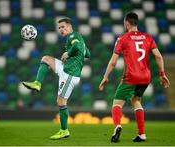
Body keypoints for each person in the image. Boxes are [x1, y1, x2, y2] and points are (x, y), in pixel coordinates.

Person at [99, 12, 170, 143]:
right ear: (136, 22)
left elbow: (113, 61)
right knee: (136, 100)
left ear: (126, 23)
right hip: (145, 77)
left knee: (117, 103)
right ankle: (142, 134)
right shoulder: (148, 37)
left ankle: (117, 126)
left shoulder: (123, 38)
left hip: (131, 76)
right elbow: (159, 56)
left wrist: (105, 76)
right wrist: (162, 74)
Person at [22, 17, 90, 140]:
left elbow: (78, 46)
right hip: (65, 68)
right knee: (46, 59)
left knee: (61, 102)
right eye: (59, 28)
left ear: (69, 26)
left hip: (70, 74)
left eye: (63, 27)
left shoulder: (72, 36)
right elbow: (88, 54)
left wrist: (69, 53)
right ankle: (37, 83)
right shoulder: (77, 37)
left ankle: (64, 131)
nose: (61, 30)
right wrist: (81, 48)